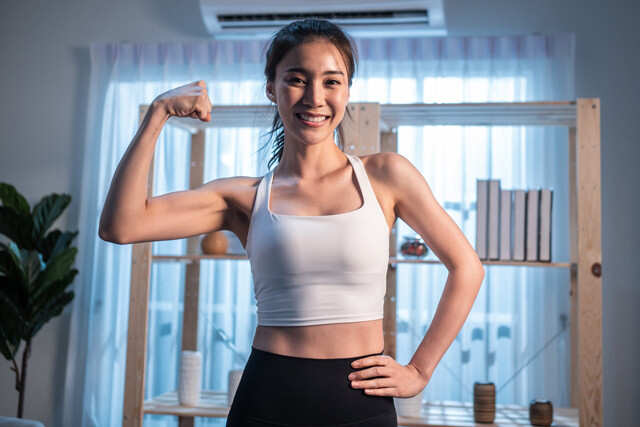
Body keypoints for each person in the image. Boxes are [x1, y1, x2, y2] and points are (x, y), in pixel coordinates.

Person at [99, 18, 484, 427]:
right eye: (297, 79)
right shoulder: (245, 198)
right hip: (268, 397)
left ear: (347, 89)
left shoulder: (386, 176)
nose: (315, 98)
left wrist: (420, 370)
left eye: (331, 82)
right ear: (273, 88)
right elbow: (121, 226)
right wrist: (158, 113)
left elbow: (467, 268)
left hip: (360, 400)